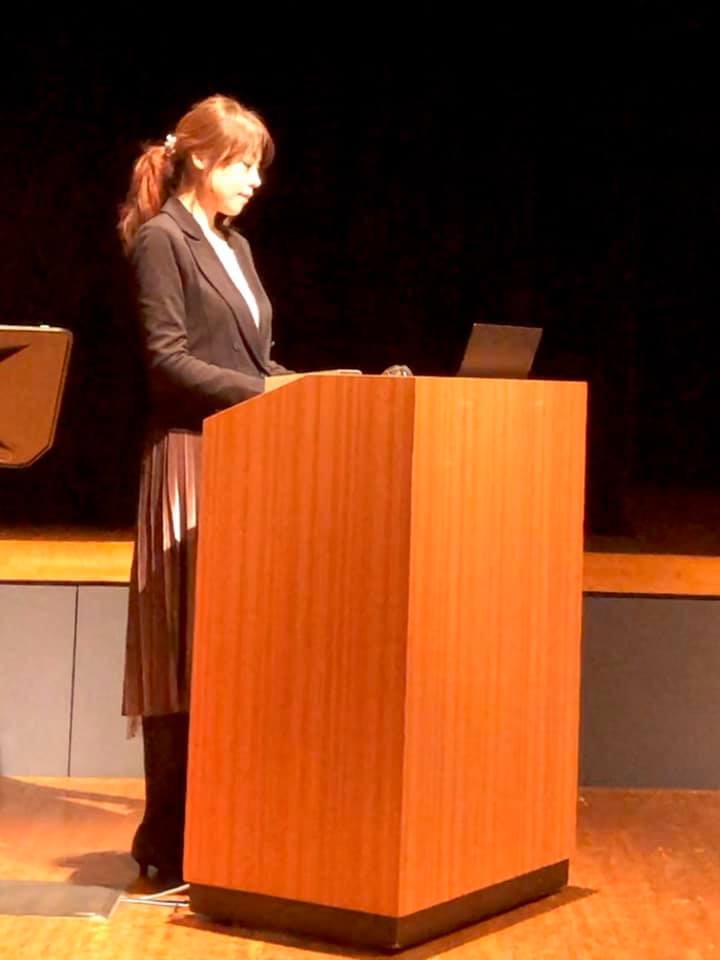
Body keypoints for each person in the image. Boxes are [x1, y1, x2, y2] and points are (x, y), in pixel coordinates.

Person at [117, 93, 291, 881]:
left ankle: (228, 824)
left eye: (257, 167)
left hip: (243, 462)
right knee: (181, 649)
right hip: (189, 460)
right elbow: (169, 361)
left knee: (232, 648)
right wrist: (270, 394)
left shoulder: (236, 246)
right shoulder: (163, 238)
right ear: (197, 158)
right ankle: (168, 836)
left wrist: (315, 387)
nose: (254, 181)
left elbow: (251, 363)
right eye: (242, 164)